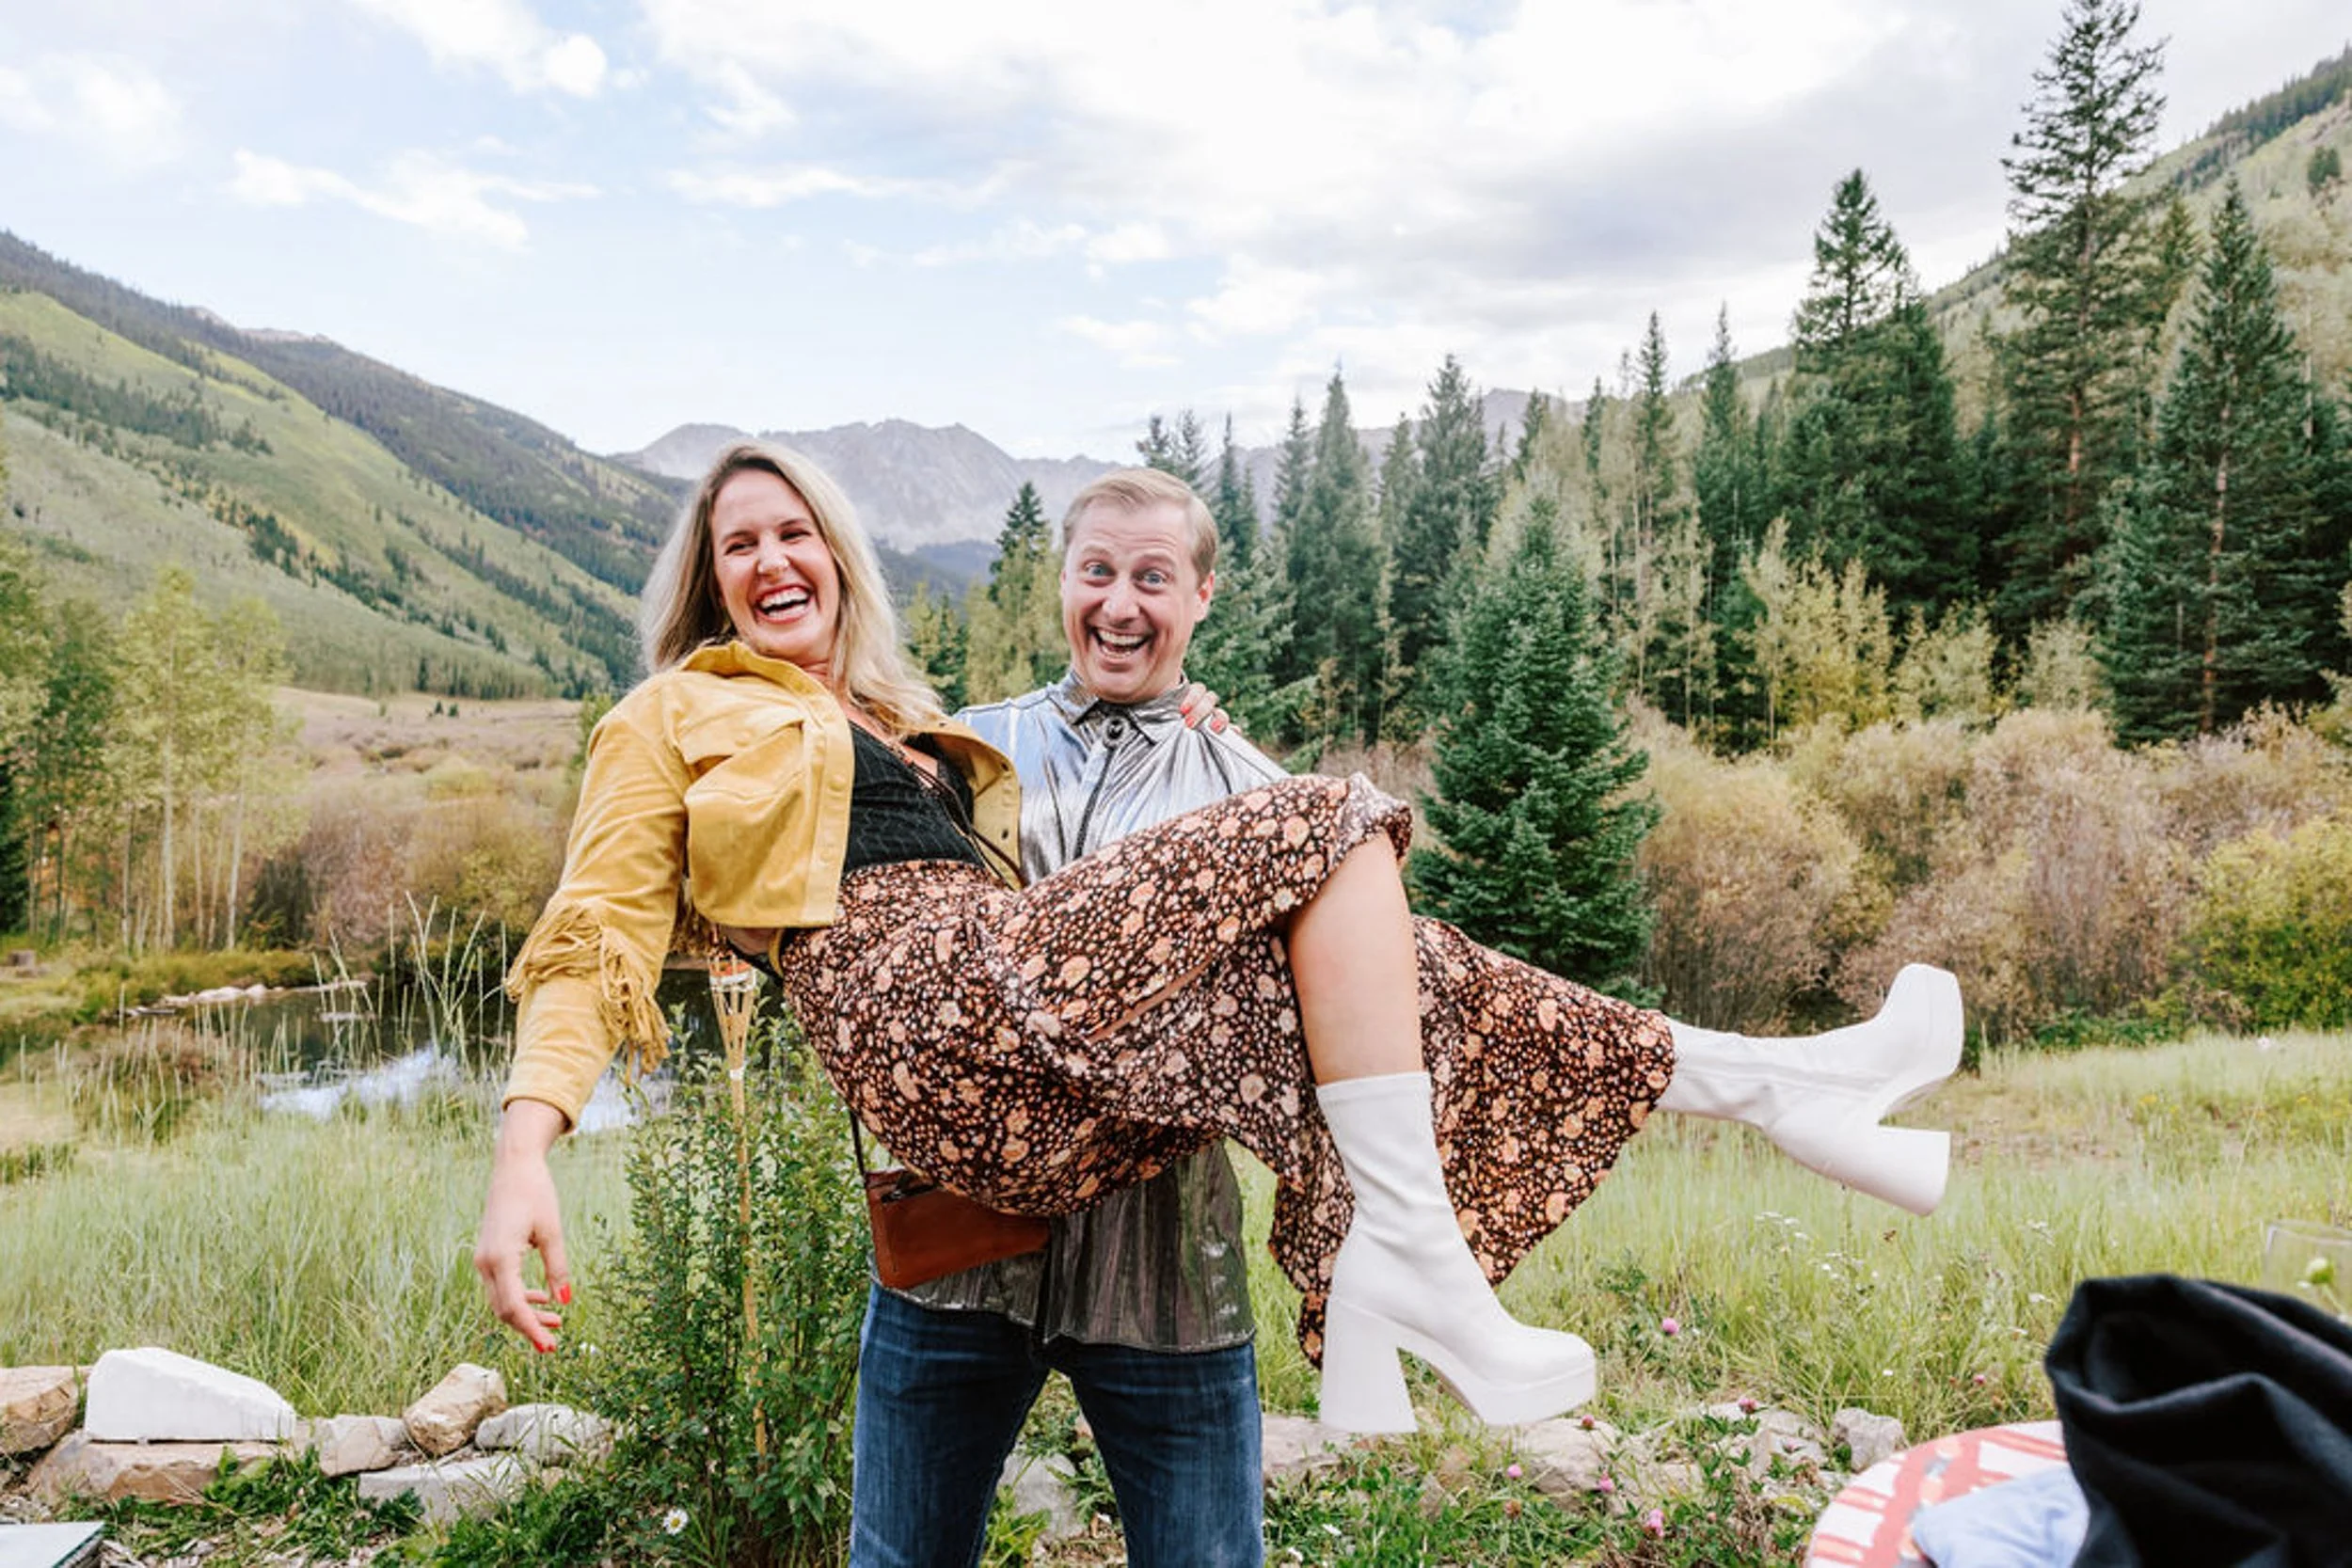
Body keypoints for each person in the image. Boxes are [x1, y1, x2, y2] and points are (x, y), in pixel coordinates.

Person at [474, 439, 1962, 1454]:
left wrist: (1225, 768)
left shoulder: (917, 725)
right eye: (741, 543)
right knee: (1336, 816)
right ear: (711, 579)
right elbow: (594, 926)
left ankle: (1785, 1089)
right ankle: (1424, 1265)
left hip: (1032, 1038)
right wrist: (526, 1144)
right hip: (935, 1018)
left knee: (1429, 977)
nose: (770, 557)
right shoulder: (672, 714)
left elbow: (1215, 876)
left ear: (838, 558)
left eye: (794, 530)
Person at [850, 467, 1283, 1566]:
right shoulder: (963, 750)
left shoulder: (1253, 791)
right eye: (1097, 570)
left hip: (1168, 1265)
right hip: (953, 1247)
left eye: (1152, 575)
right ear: (1063, 581)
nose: (1120, 603)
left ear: (1201, 596)